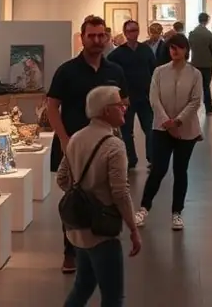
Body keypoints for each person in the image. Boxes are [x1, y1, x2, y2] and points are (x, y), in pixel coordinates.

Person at [47, 16, 130, 274]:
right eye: (91, 36)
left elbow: (124, 102)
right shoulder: (66, 71)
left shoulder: (115, 71)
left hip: (106, 144)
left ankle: (101, 246)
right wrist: (64, 138)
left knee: (107, 195)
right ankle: (70, 252)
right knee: (75, 197)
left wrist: (117, 128)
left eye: (101, 35)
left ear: (106, 37)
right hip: (75, 145)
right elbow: (52, 107)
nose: (97, 40)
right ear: (82, 38)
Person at [56, 86, 142, 307]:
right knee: (113, 297)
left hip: (78, 227)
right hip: (102, 231)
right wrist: (133, 228)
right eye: (119, 105)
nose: (124, 108)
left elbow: (62, 179)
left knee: (82, 286)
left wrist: (82, 194)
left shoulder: (76, 138)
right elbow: (120, 193)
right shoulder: (114, 145)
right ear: (106, 110)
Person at [135, 34, 202, 231]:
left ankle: (177, 212)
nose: (175, 51)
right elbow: (154, 99)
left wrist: (178, 121)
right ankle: (144, 208)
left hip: (186, 130)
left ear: (186, 49)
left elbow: (195, 101)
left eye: (179, 47)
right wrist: (167, 122)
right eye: (172, 47)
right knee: (158, 169)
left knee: (180, 170)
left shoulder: (195, 74)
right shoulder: (159, 72)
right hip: (161, 129)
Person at [107, 20, 157, 170]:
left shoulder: (145, 50)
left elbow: (154, 71)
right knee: (126, 130)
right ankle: (130, 158)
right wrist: (118, 95)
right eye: (130, 31)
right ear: (125, 33)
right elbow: (111, 74)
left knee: (149, 128)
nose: (133, 34)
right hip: (126, 98)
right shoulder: (117, 54)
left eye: (135, 30)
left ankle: (152, 157)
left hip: (145, 97)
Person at [188, 13, 212, 114]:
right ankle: (208, 107)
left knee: (194, 86)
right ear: (207, 20)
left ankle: (192, 107)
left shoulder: (192, 33)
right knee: (206, 86)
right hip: (207, 63)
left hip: (195, 62)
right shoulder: (209, 34)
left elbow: (189, 46)